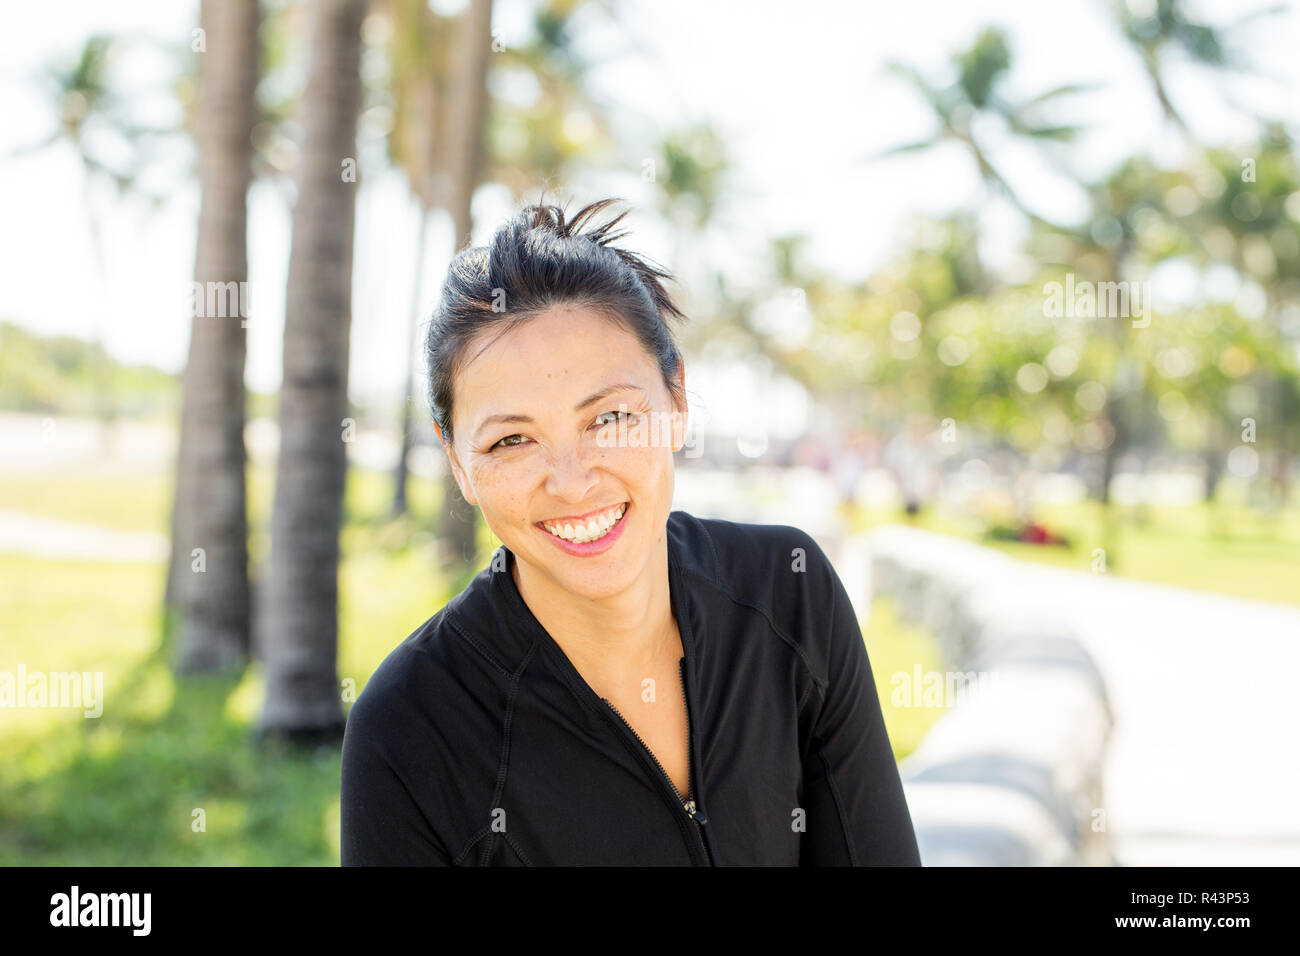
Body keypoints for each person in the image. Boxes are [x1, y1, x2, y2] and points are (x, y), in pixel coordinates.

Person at [339, 195, 921, 866]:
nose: (572, 480)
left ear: (676, 400)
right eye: (511, 441)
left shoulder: (788, 594)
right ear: (457, 463)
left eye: (610, 418)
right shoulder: (411, 726)